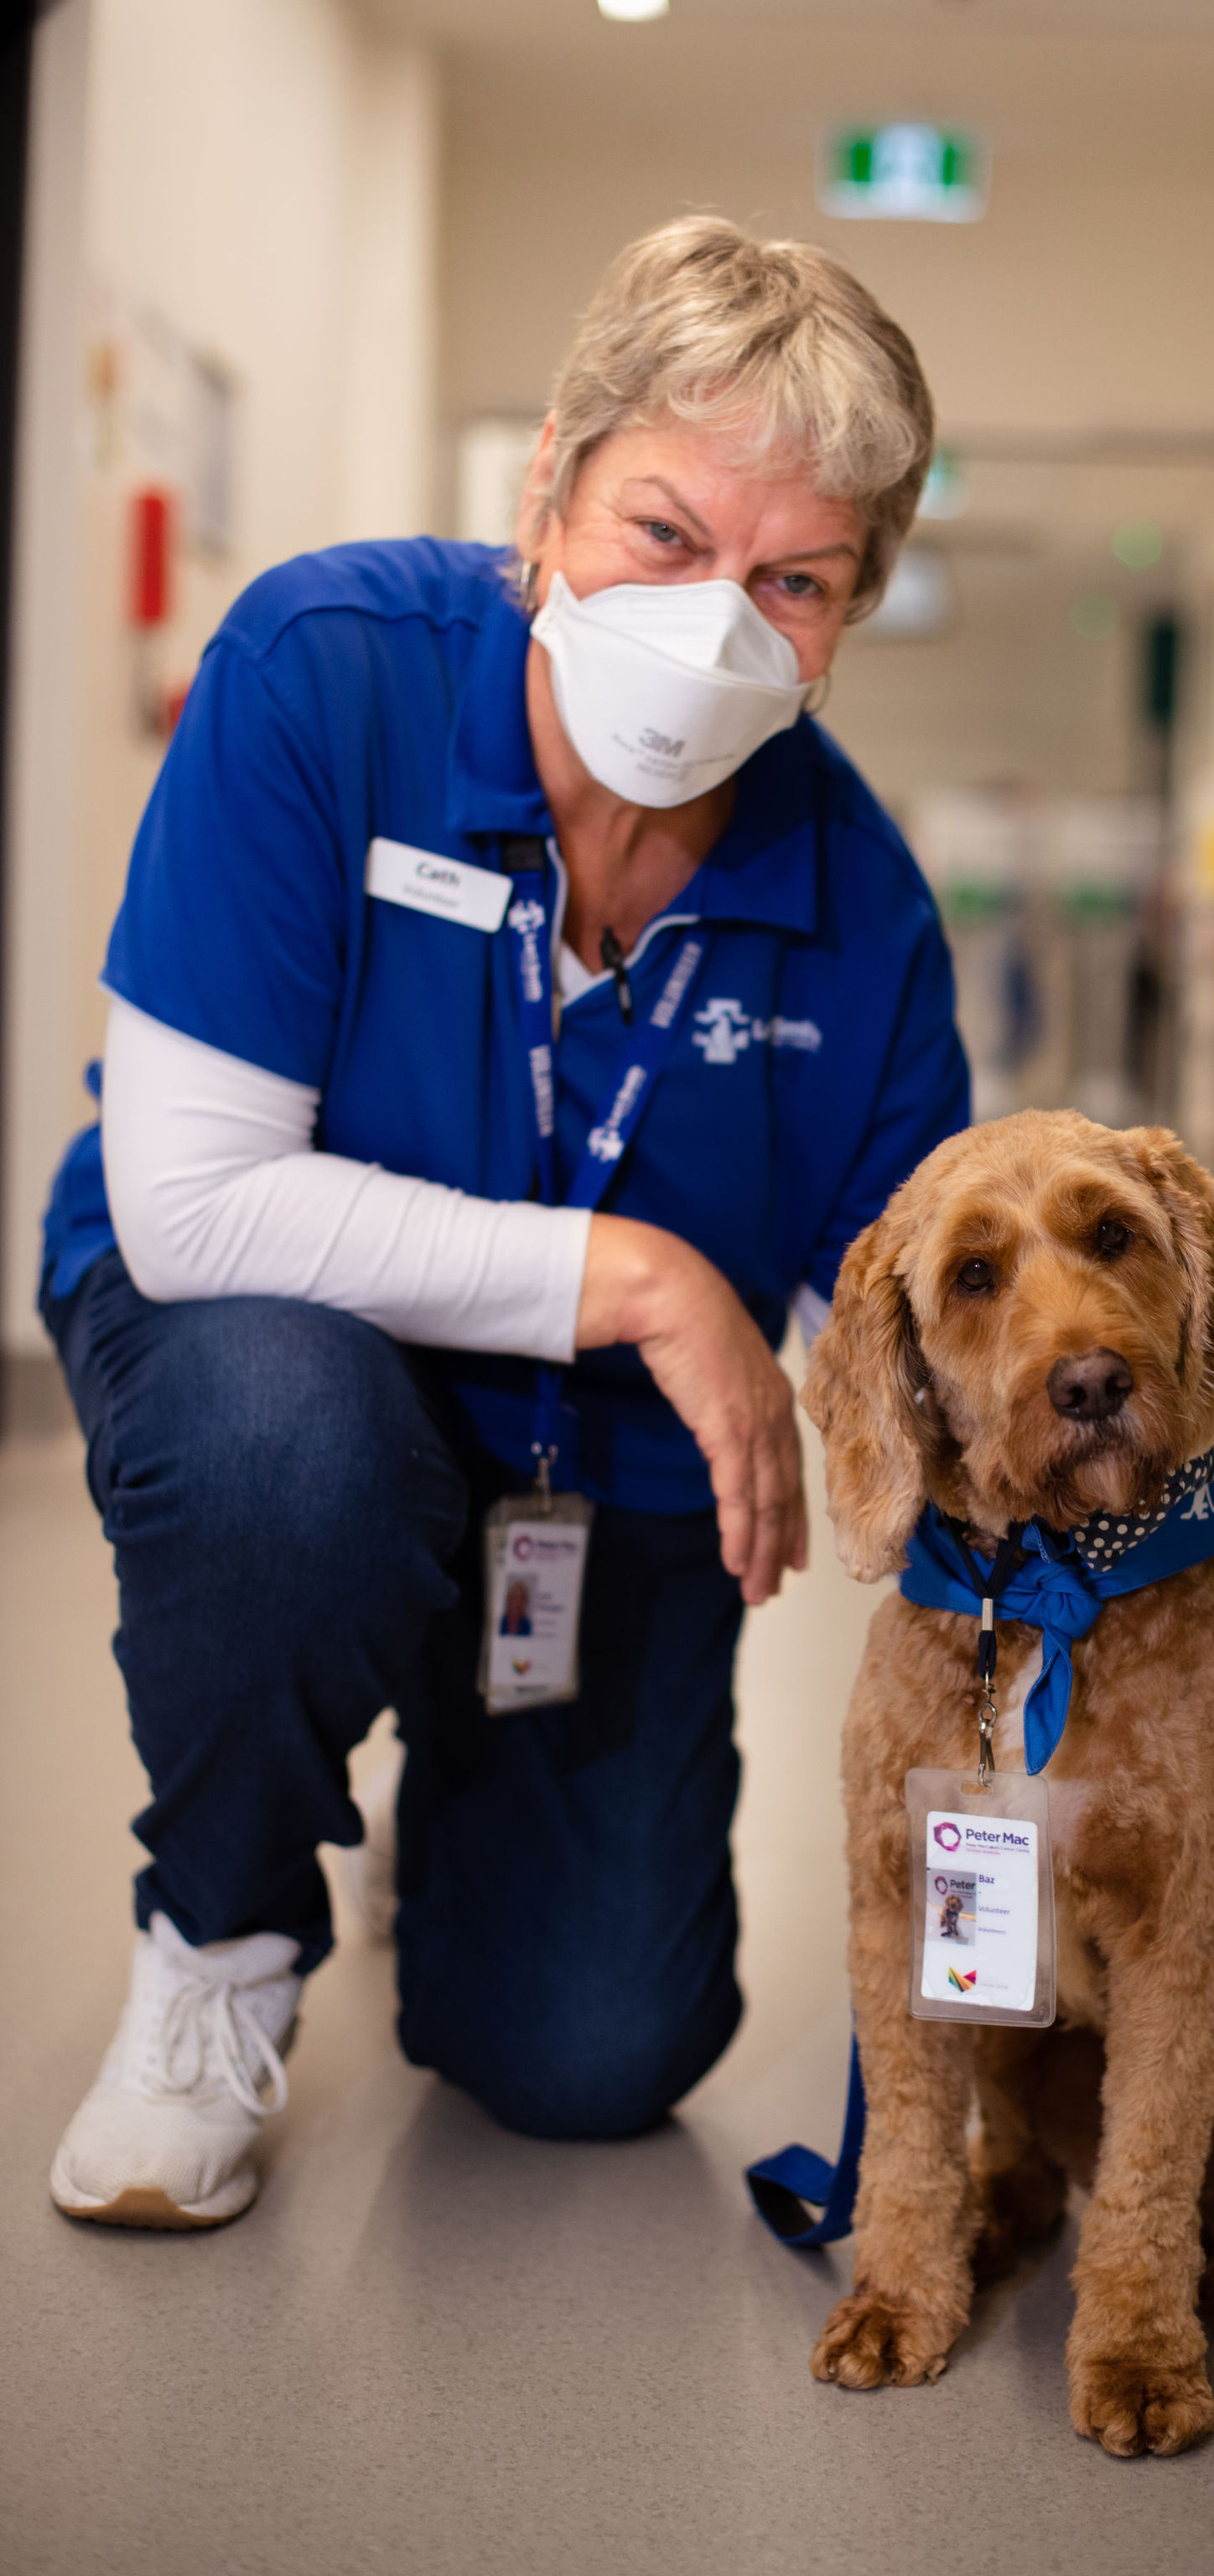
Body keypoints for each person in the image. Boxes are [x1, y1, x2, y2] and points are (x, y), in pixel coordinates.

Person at [38, 216, 968, 2230]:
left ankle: (462, 1770)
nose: (717, 621)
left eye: (792, 580)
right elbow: (193, 1208)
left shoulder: (861, 905)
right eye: (661, 531)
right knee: (298, 1458)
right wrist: (639, 1276)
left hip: (595, 1477)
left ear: (851, 612)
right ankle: (220, 1944)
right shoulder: (323, 676)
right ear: (546, 491)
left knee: (586, 2061)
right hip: (261, 1343)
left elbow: (926, 1323)